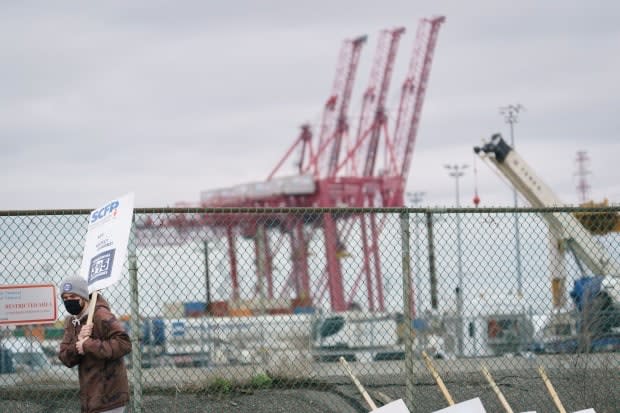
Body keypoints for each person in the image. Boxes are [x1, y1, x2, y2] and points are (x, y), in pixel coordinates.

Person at [58, 276, 132, 413]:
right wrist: (77, 345)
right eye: (65, 298)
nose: (69, 301)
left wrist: (88, 345)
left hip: (110, 396)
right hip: (90, 398)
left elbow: (124, 343)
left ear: (83, 296)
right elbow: (65, 357)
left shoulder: (101, 315)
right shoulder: (71, 322)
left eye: (73, 296)